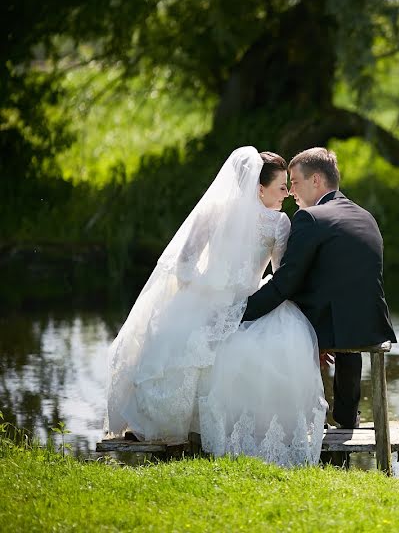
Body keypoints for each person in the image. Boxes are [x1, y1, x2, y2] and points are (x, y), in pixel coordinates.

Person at [106, 147, 326, 466]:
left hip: (228, 301)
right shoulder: (259, 220)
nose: (287, 195)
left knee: (204, 350)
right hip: (225, 300)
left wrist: (219, 292)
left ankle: (203, 431)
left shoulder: (249, 218)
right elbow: (276, 276)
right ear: (259, 188)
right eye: (281, 188)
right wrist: (217, 291)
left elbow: (189, 266)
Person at [242, 147, 396, 437]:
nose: (291, 193)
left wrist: (241, 313)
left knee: (277, 326)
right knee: (324, 314)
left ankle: (292, 419)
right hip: (370, 321)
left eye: (295, 183)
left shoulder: (311, 218)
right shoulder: (365, 216)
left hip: (333, 321)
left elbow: (285, 283)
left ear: (316, 181)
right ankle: (347, 416)